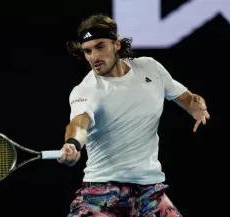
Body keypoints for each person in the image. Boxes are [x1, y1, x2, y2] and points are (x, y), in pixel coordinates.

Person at [57, 14, 210, 217]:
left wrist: (197, 106)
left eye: (100, 46)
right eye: (87, 51)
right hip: (101, 194)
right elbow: (79, 123)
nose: (94, 57)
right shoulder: (85, 90)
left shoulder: (150, 68)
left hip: (149, 192)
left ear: (116, 44)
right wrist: (73, 143)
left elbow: (186, 97)